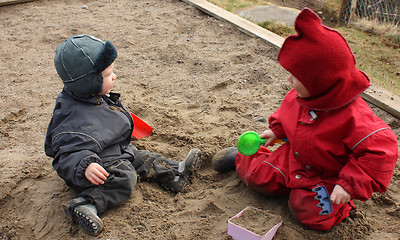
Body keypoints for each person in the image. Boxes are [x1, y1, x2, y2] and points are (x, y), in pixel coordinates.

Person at [212, 8, 398, 231]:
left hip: (328, 177)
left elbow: (381, 153)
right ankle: (239, 159)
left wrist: (348, 185)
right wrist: (278, 131)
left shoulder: (356, 118)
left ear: (320, 82)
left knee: (314, 216)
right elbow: (288, 114)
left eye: (296, 76)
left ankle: (341, 206)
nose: (289, 79)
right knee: (258, 176)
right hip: (295, 159)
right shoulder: (303, 96)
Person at [45, 35, 202, 236]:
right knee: (125, 178)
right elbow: (66, 153)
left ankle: (177, 173)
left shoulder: (88, 96)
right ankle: (85, 205)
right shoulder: (72, 121)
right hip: (95, 168)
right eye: (108, 74)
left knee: (145, 158)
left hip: (114, 151)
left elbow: (105, 121)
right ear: (89, 82)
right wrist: (85, 165)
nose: (114, 76)